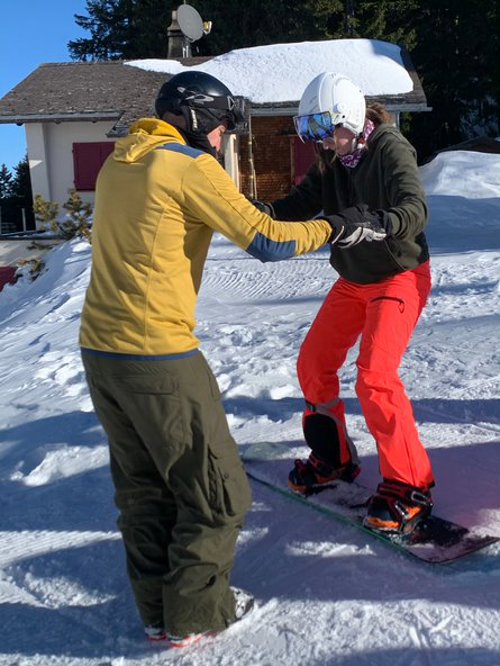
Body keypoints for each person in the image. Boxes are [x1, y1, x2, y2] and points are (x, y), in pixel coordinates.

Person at [79, 71, 371, 647]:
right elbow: (266, 241)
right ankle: (193, 615)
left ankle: (158, 613)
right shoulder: (186, 166)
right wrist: (339, 227)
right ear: (191, 120)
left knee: (145, 489)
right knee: (220, 493)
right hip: (155, 355)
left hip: (100, 352)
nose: (220, 140)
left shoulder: (121, 161)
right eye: (217, 128)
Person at [258, 72, 435, 535]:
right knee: (314, 363)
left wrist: (377, 223)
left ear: (353, 120)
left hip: (399, 275)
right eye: (312, 133)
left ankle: (410, 484)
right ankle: (334, 458)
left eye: (327, 129)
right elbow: (300, 203)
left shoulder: (389, 148)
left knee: (375, 376)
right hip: (354, 279)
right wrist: (251, 213)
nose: (323, 142)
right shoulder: (333, 157)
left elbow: (415, 209)